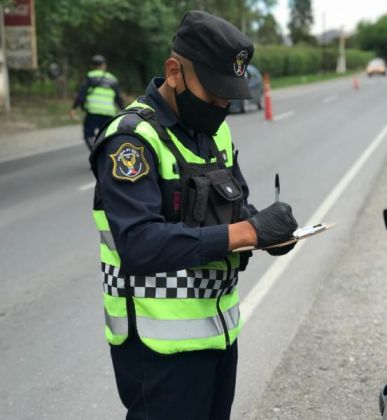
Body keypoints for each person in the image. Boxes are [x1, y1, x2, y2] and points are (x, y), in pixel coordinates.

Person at [89, 10, 299, 420]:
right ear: (174, 72)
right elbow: (139, 245)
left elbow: (235, 208)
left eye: (229, 95)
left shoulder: (214, 129)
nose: (222, 105)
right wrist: (247, 233)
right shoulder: (131, 141)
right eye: (214, 93)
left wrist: (268, 229)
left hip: (218, 334)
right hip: (158, 351)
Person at [70, 54, 124, 150]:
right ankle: (107, 154)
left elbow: (81, 93)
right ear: (104, 65)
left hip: (93, 112)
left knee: (89, 134)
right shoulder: (112, 79)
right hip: (108, 113)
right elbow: (118, 98)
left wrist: (74, 108)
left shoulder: (90, 76)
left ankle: (95, 152)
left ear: (92, 66)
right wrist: (123, 111)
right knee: (106, 136)